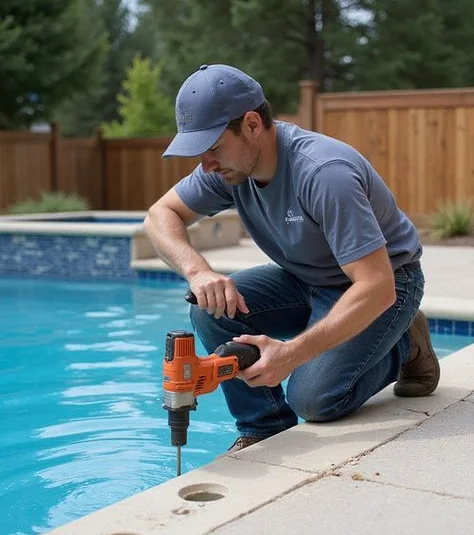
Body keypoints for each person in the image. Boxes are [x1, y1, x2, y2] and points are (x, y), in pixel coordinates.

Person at [144, 64, 440, 453]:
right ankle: (264, 427)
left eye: (213, 148)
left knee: (314, 400)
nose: (207, 165)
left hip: (384, 283)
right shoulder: (229, 168)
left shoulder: (324, 173)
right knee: (210, 308)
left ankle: (404, 343)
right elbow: (158, 216)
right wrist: (197, 272)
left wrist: (292, 354)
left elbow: (376, 284)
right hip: (306, 279)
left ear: (252, 124)